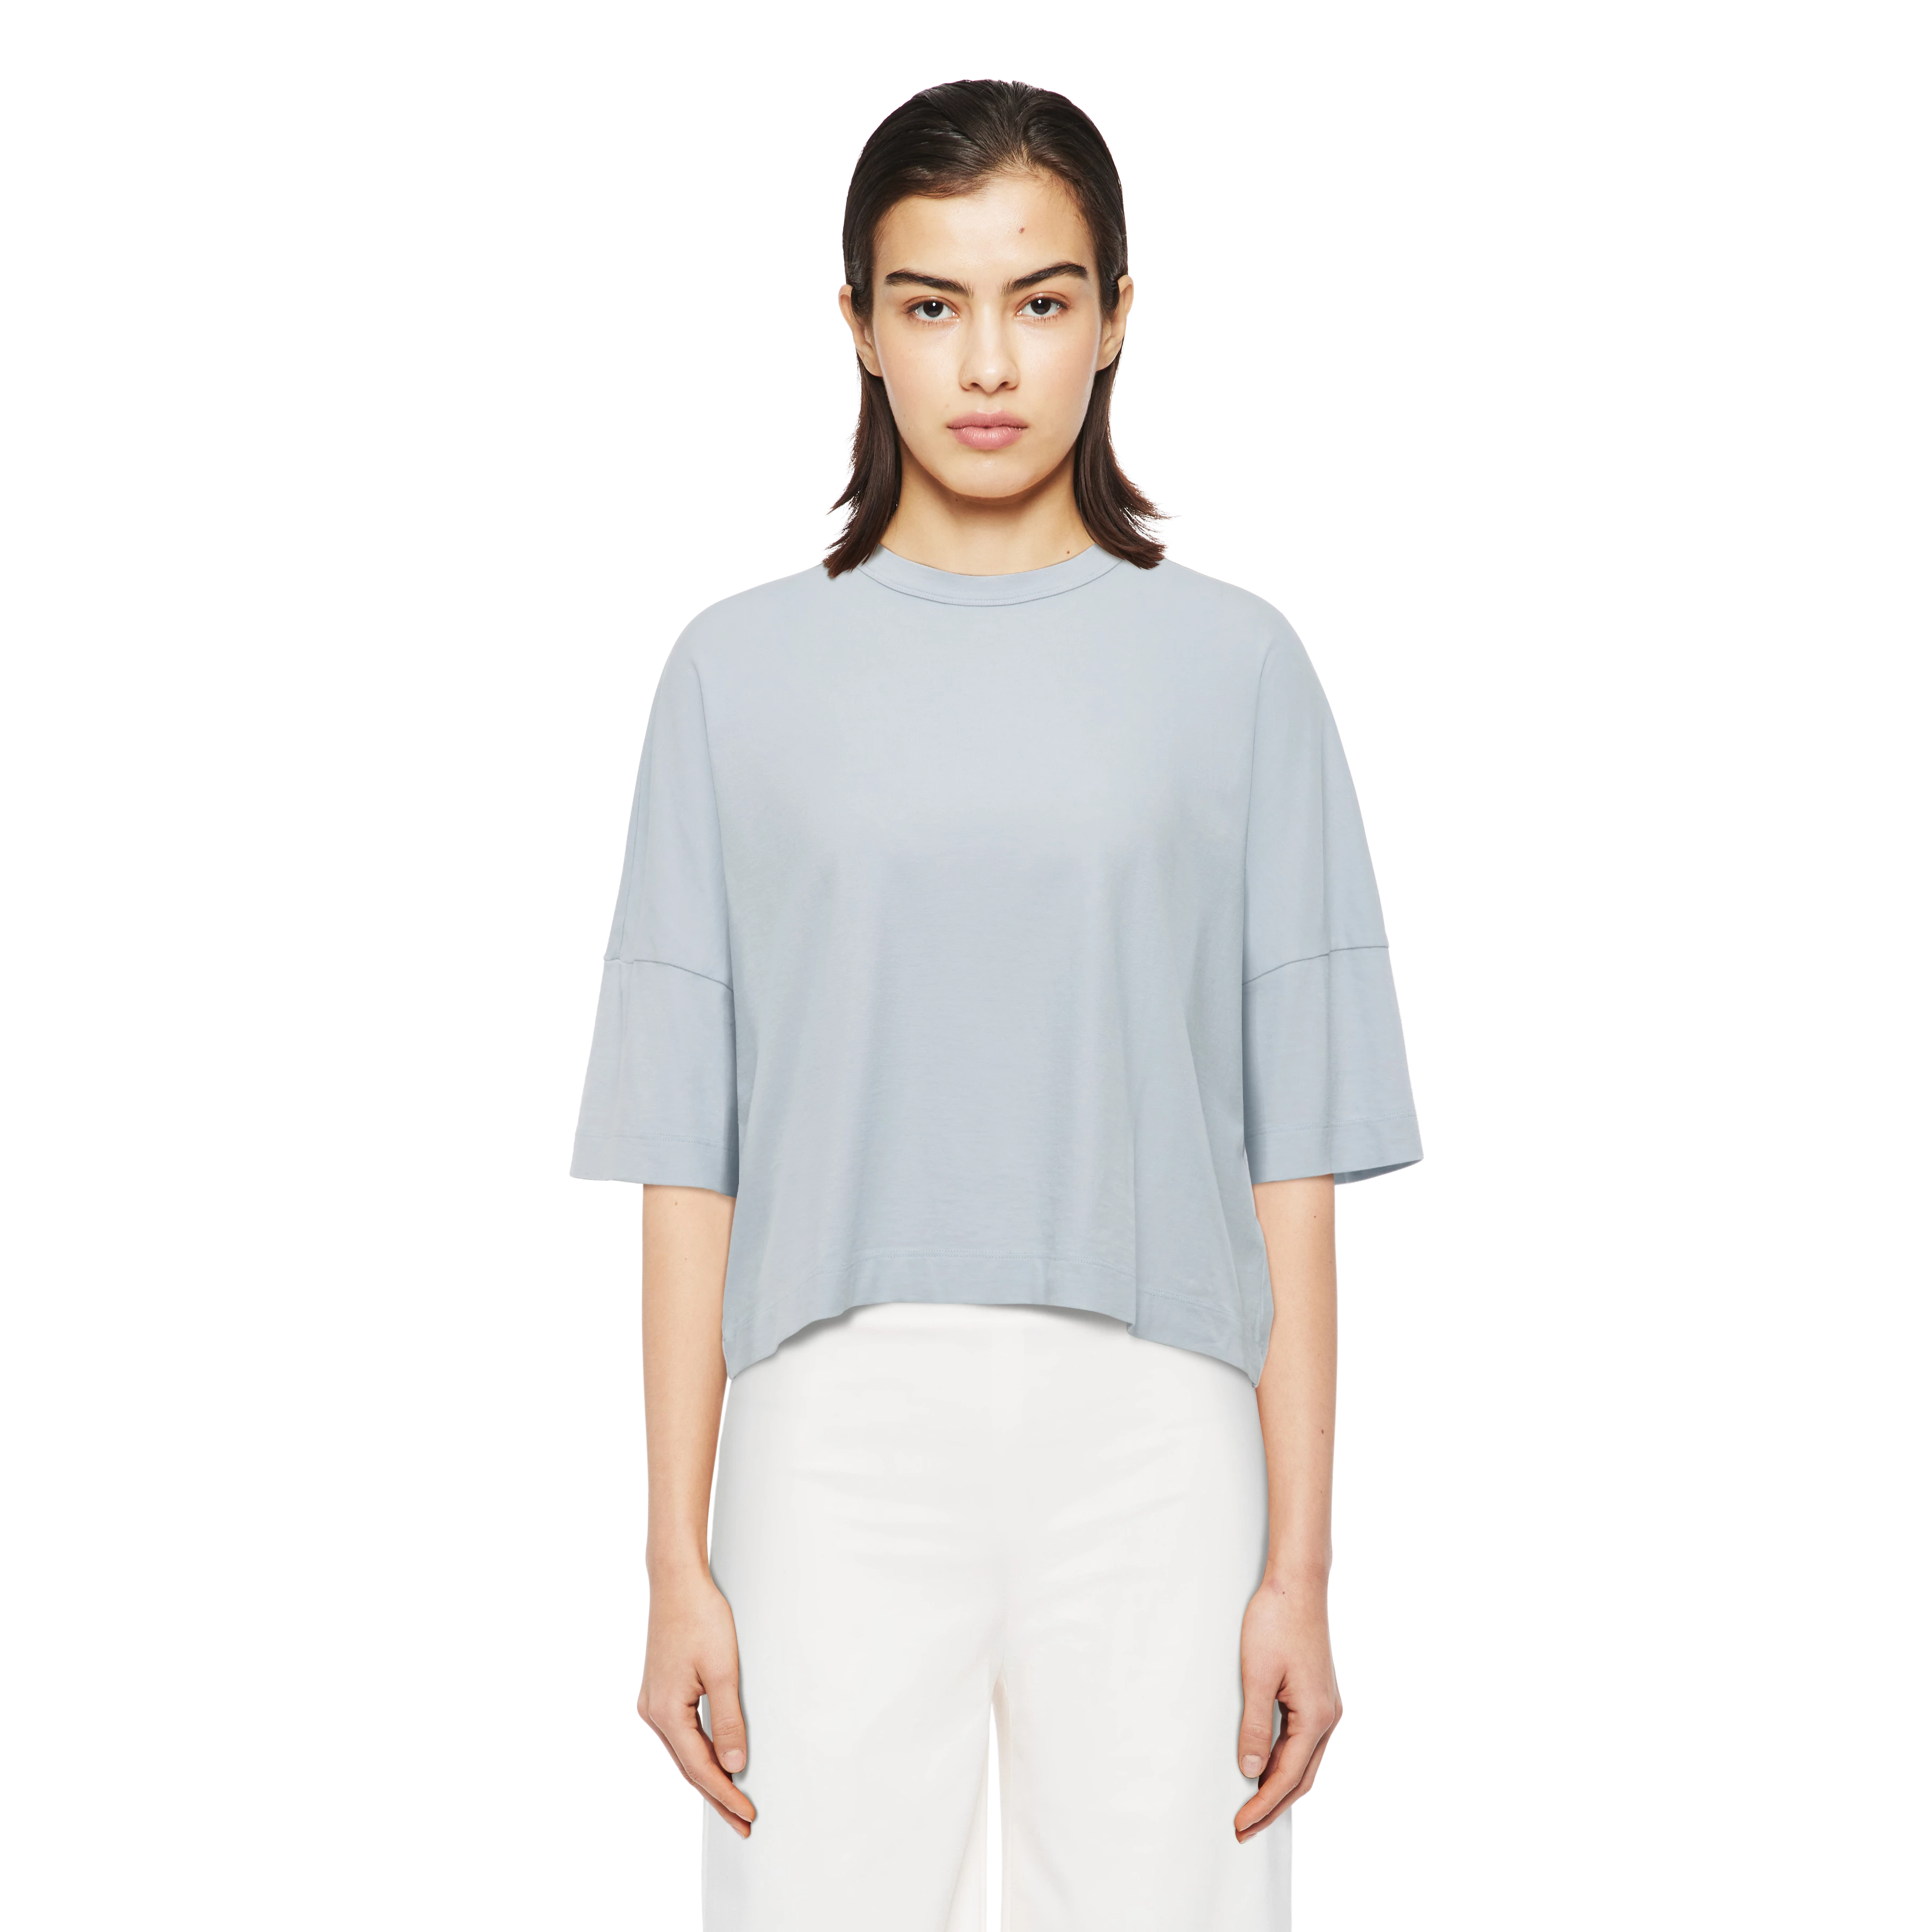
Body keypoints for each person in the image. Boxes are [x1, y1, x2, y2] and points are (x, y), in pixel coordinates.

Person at [568, 77, 1424, 1931]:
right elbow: (685, 1153)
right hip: (824, 1427)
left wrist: (1300, 1568)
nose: (986, 362)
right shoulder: (734, 674)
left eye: (1039, 301)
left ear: (1114, 318)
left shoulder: (1237, 667)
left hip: (1159, 1431)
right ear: (859, 325)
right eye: (931, 302)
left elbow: (1292, 1158)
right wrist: (673, 1560)